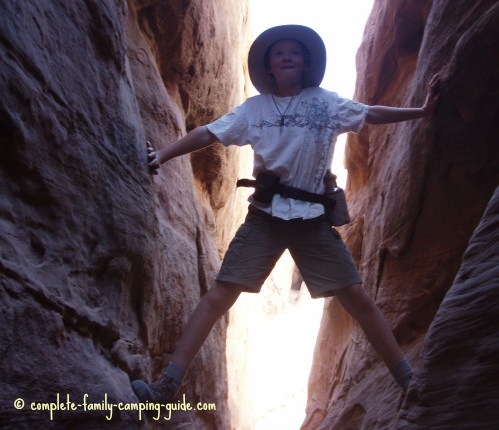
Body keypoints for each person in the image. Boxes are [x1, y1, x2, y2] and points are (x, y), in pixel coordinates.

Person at [131, 25, 440, 403]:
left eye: (294, 52)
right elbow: (209, 134)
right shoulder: (253, 110)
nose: (288, 56)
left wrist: (422, 111)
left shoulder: (326, 103)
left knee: (357, 298)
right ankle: (167, 387)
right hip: (265, 217)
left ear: (305, 62)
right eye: (279, 54)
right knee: (220, 294)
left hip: (312, 219)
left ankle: (410, 383)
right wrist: (162, 154)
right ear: (270, 67)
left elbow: (370, 114)